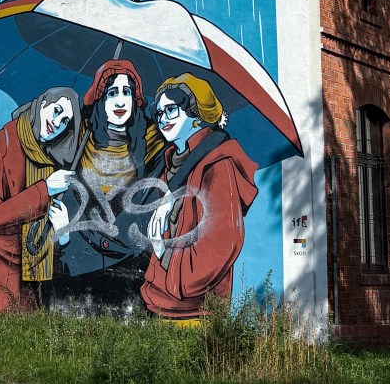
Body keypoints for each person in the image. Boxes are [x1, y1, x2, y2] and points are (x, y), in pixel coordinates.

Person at [140, 73, 258, 321]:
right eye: (160, 113)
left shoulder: (217, 165)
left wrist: (163, 253)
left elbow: (221, 244)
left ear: (195, 115)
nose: (163, 119)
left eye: (171, 110)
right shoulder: (172, 165)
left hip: (194, 312)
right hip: (158, 301)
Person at [48, 59, 162, 306]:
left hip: (132, 270)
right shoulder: (79, 142)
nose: (121, 101)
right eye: (112, 93)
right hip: (79, 265)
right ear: (100, 99)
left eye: (127, 92)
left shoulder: (153, 143)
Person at [0, 86, 81, 312]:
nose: (58, 122)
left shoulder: (49, 157)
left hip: (31, 267)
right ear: (42, 104)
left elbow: (41, 234)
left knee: (28, 335)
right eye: (57, 110)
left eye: (65, 121)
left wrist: (63, 233)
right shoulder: (4, 142)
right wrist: (45, 189)